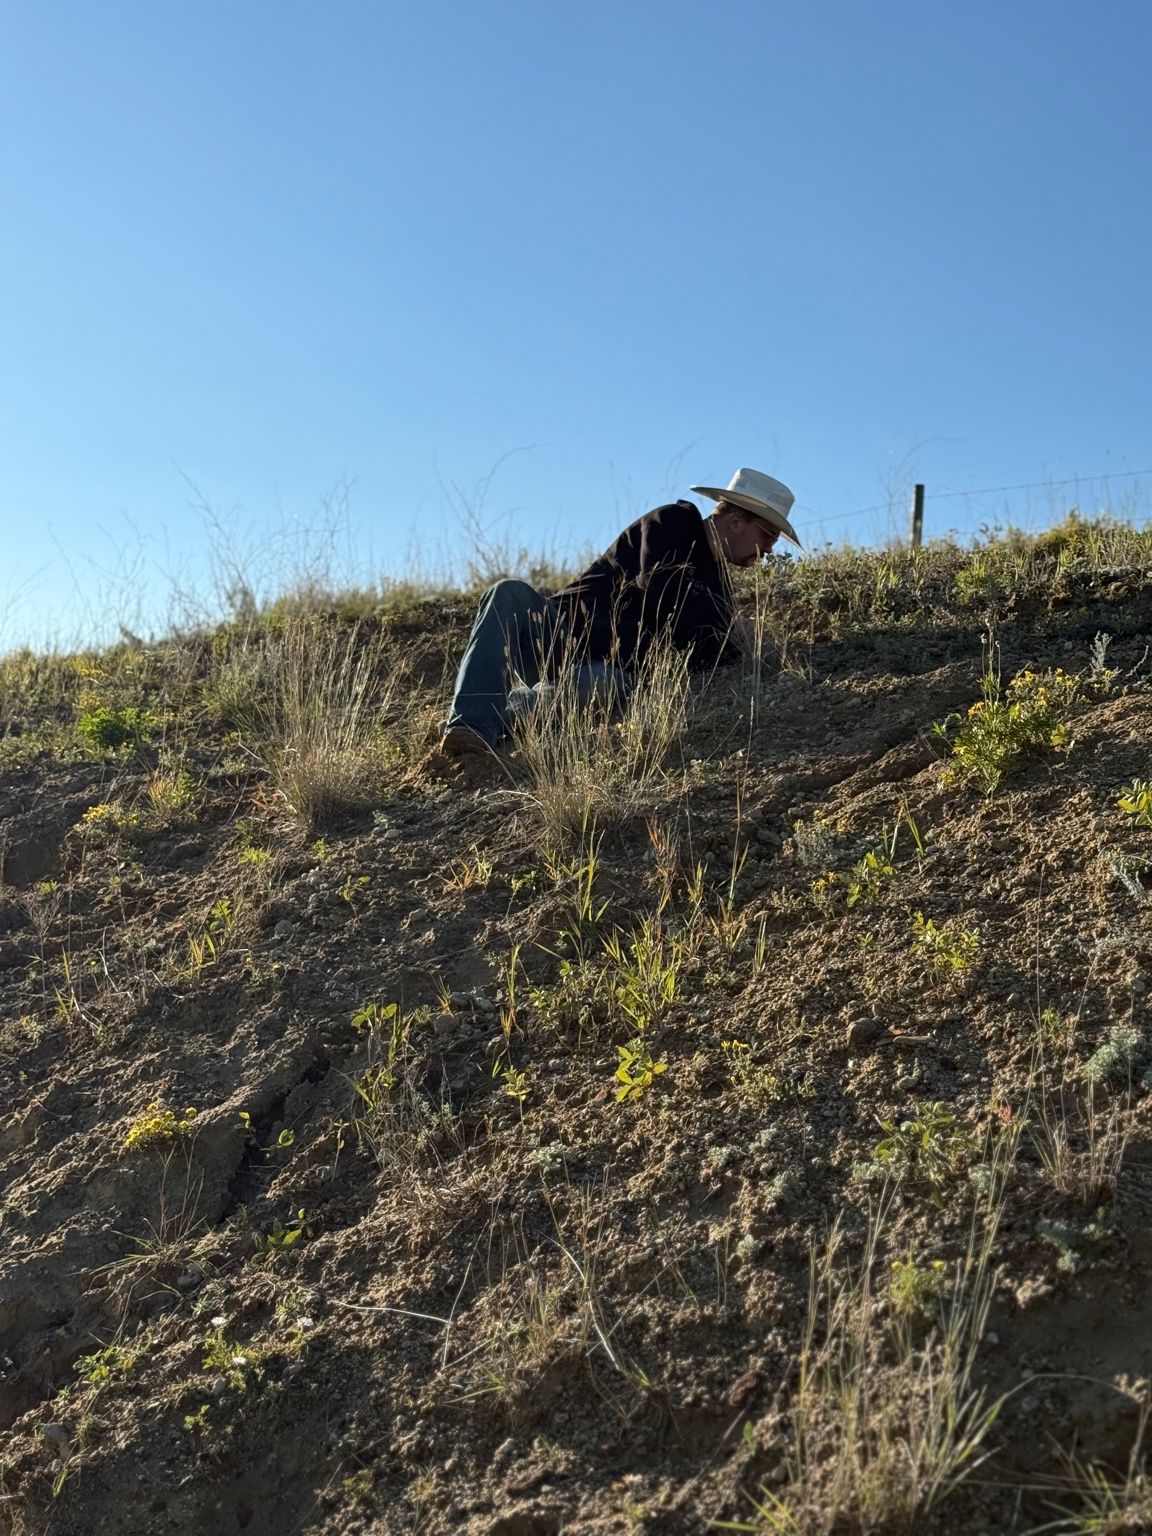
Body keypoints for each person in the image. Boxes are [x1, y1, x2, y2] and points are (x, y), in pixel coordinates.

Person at [440, 467, 802, 754]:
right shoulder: (674, 522)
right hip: (557, 634)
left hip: (608, 671)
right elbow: (663, 591)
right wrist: (730, 627)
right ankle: (469, 725)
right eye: (768, 536)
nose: (768, 549)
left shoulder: (719, 583)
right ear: (737, 520)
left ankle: (500, 714)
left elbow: (705, 656)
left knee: (602, 685)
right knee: (509, 594)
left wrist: (738, 640)